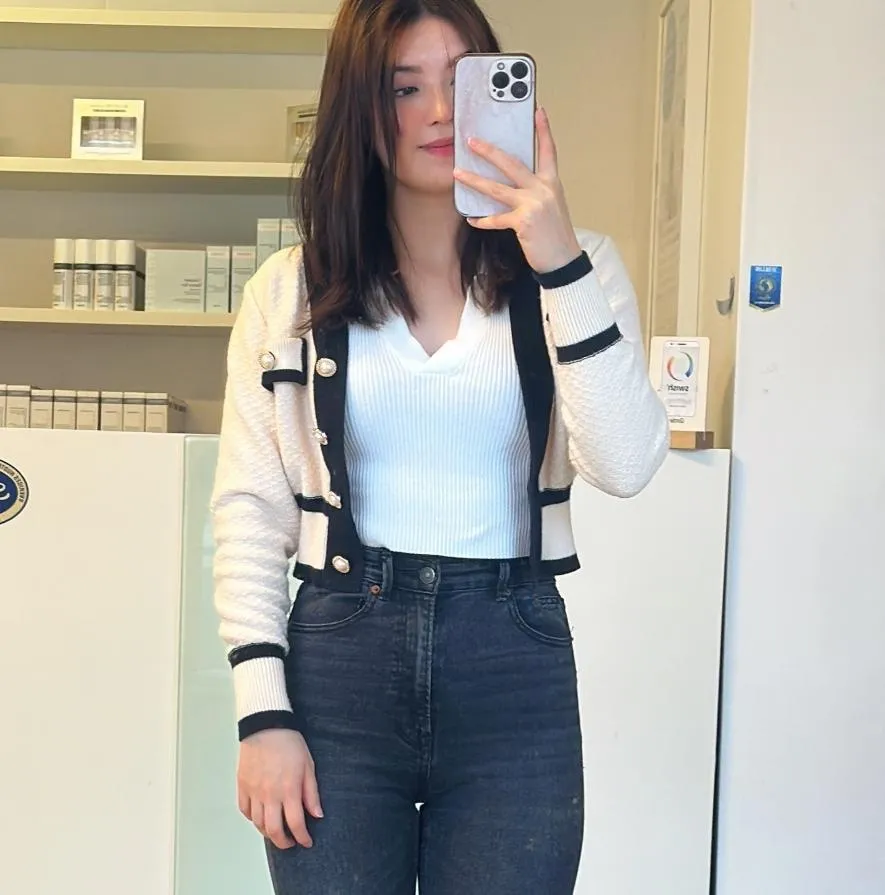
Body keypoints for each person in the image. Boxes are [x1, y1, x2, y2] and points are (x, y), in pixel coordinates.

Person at [210, 0, 669, 892]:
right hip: (339, 656)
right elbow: (250, 511)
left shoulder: (577, 266)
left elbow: (624, 463)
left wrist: (555, 257)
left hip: (512, 658)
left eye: (462, 82)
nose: (439, 113)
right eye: (402, 88)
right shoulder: (288, 290)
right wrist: (262, 714)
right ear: (358, 108)